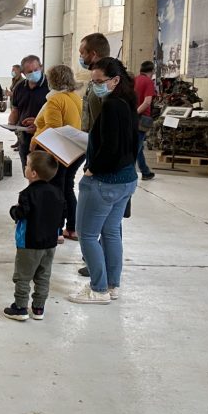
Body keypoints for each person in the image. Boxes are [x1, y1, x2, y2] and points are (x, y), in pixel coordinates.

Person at [69, 57, 139, 305]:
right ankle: (112, 284)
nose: (95, 86)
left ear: (115, 80)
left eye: (99, 81)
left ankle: (98, 289)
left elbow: (110, 147)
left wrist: (92, 169)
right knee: (111, 233)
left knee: (87, 235)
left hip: (104, 182)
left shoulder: (111, 106)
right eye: (92, 82)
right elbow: (134, 144)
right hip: (126, 179)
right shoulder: (128, 103)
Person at [4, 151, 64, 321]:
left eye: (27, 165)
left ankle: (20, 307)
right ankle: (38, 308)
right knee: (43, 276)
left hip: (29, 242)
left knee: (23, 276)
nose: (25, 167)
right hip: (50, 243)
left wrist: (13, 209)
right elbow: (62, 215)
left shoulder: (27, 194)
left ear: (33, 173)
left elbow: (21, 213)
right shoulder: (57, 192)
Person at [30, 65, 83, 241]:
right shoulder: (74, 97)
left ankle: (57, 230)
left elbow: (53, 128)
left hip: (57, 150)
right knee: (67, 187)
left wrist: (35, 139)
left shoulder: (55, 100)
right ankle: (72, 228)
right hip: (74, 149)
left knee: (56, 190)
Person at [8, 55, 48, 171]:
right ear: (24, 73)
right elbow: (16, 109)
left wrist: (39, 124)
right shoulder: (20, 87)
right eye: (29, 72)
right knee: (28, 171)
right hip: (25, 138)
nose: (34, 73)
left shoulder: (50, 86)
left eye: (36, 70)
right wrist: (11, 122)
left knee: (43, 174)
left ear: (41, 67)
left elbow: (58, 114)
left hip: (45, 140)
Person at [78, 33, 111, 132]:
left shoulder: (109, 80)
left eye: (82, 53)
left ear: (93, 54)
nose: (80, 57)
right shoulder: (95, 79)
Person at [135, 61, 156, 181]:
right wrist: (136, 113)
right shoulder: (148, 82)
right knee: (136, 147)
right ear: (152, 71)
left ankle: (145, 171)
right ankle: (128, 172)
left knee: (139, 146)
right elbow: (147, 102)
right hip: (142, 117)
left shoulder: (135, 79)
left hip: (133, 116)